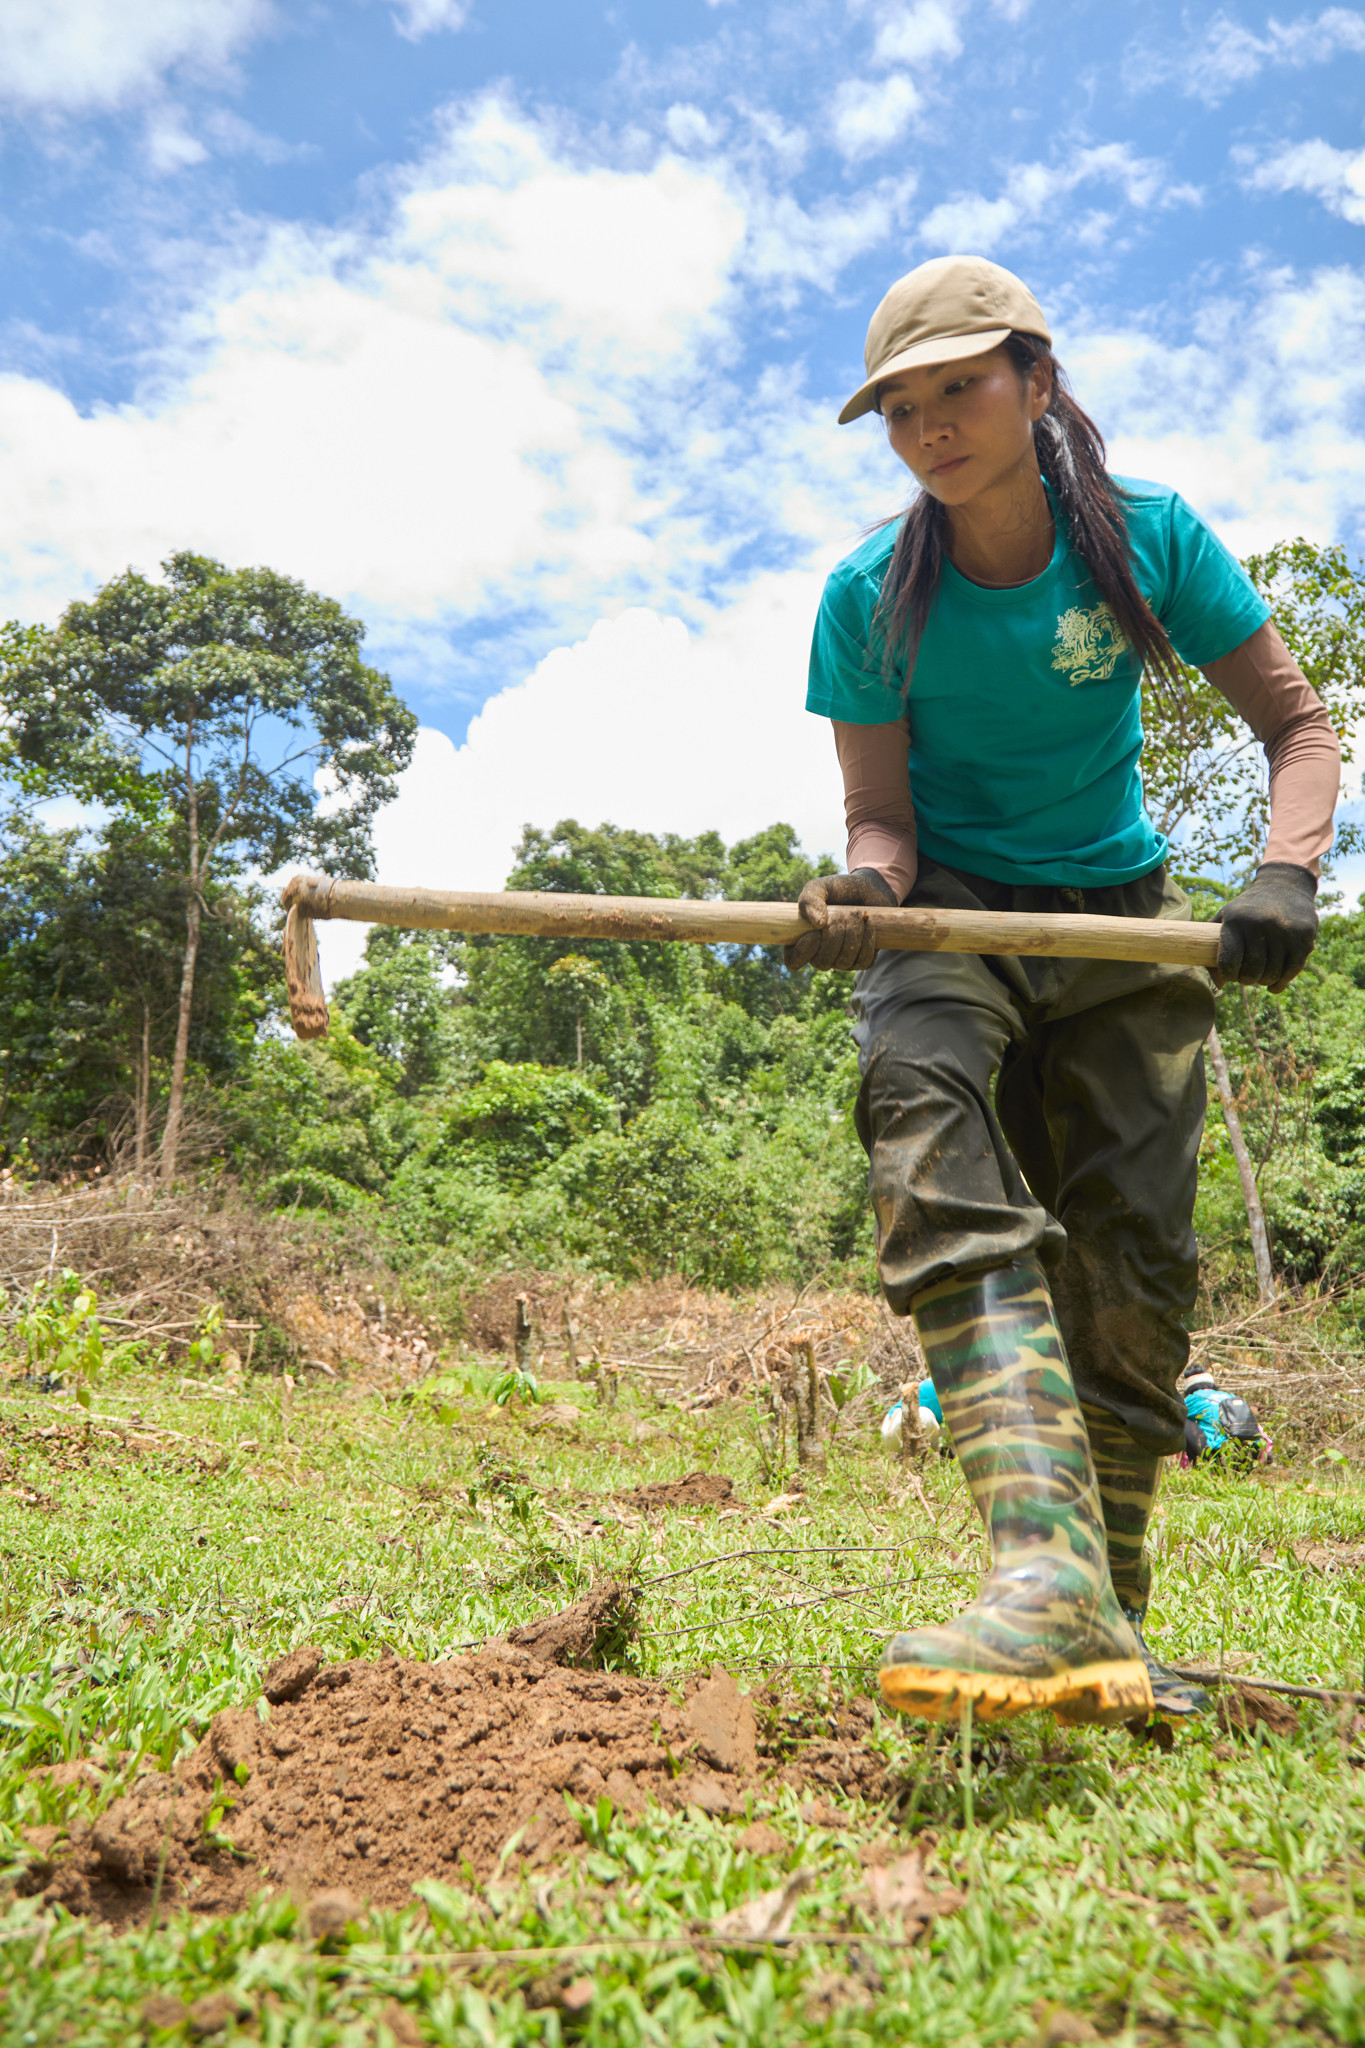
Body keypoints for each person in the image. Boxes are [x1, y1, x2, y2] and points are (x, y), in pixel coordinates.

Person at [788, 255, 1339, 1727]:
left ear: (1037, 380)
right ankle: (1042, 1575)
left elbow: (1296, 724)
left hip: (1114, 921)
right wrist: (866, 898)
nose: (928, 427)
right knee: (919, 1114)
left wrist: (1282, 874)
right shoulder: (867, 596)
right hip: (951, 921)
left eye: (957, 387)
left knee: (1138, 1257)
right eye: (898, 407)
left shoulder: (1146, 543)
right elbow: (883, 825)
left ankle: (1111, 1627)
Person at [1180, 1368, 1270, 1466]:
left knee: (1183, 1422)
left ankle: (1192, 1466)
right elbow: (1257, 1427)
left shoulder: (1192, 1399)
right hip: (1250, 1454)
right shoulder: (1230, 1396)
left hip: (1219, 1455)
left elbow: (1176, 1422)